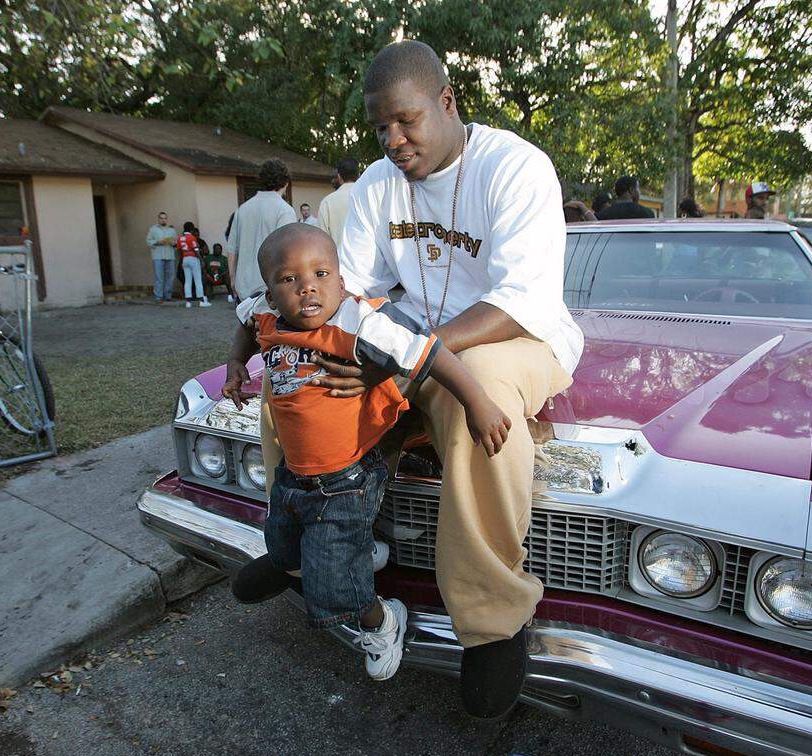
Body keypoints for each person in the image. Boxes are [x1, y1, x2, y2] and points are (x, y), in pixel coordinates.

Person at [249, 41, 582, 719]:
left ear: (447, 101)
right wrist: (352, 345)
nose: (393, 140)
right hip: (407, 342)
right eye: (379, 128)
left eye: (406, 121)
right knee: (292, 368)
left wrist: (405, 353)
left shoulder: (515, 167)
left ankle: (492, 620)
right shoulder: (378, 182)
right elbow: (353, 290)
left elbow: (523, 300)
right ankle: (294, 546)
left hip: (517, 338)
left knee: (475, 391)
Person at [222, 223, 512, 681]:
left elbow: (430, 353)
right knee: (282, 550)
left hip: (345, 480)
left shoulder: (357, 324)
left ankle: (383, 620)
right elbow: (244, 324)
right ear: (271, 292)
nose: (307, 287)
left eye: (321, 272)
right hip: (294, 476)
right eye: (288, 279)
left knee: (336, 590)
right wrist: (237, 363)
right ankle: (360, 551)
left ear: (341, 279)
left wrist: (477, 403)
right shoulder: (266, 316)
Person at [226, 159, 297, 299]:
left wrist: (232, 279)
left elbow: (232, 249)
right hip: (271, 289)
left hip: (243, 287)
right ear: (286, 182)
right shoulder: (285, 210)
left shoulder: (242, 209)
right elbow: (287, 251)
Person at [318, 157, 361, 248]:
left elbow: (321, 240)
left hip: (337, 259)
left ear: (339, 176)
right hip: (369, 260)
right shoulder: (368, 197)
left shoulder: (327, 202)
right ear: (359, 175)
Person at [145, 212, 178, 303]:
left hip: (170, 255)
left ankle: (168, 296)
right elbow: (148, 241)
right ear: (158, 219)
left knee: (170, 276)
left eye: (165, 218)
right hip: (158, 256)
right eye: (161, 218)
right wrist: (157, 242)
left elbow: (176, 242)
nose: (163, 220)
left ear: (167, 219)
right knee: (159, 277)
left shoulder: (172, 230)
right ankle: (158, 297)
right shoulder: (153, 229)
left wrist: (174, 243)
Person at [176, 222, 209, 308]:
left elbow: (179, 250)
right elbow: (196, 250)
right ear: (191, 229)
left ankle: (188, 302)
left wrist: (182, 260)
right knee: (198, 280)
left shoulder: (180, 238)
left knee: (187, 280)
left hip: (185, 258)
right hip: (193, 258)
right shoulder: (191, 237)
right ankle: (201, 301)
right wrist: (201, 260)